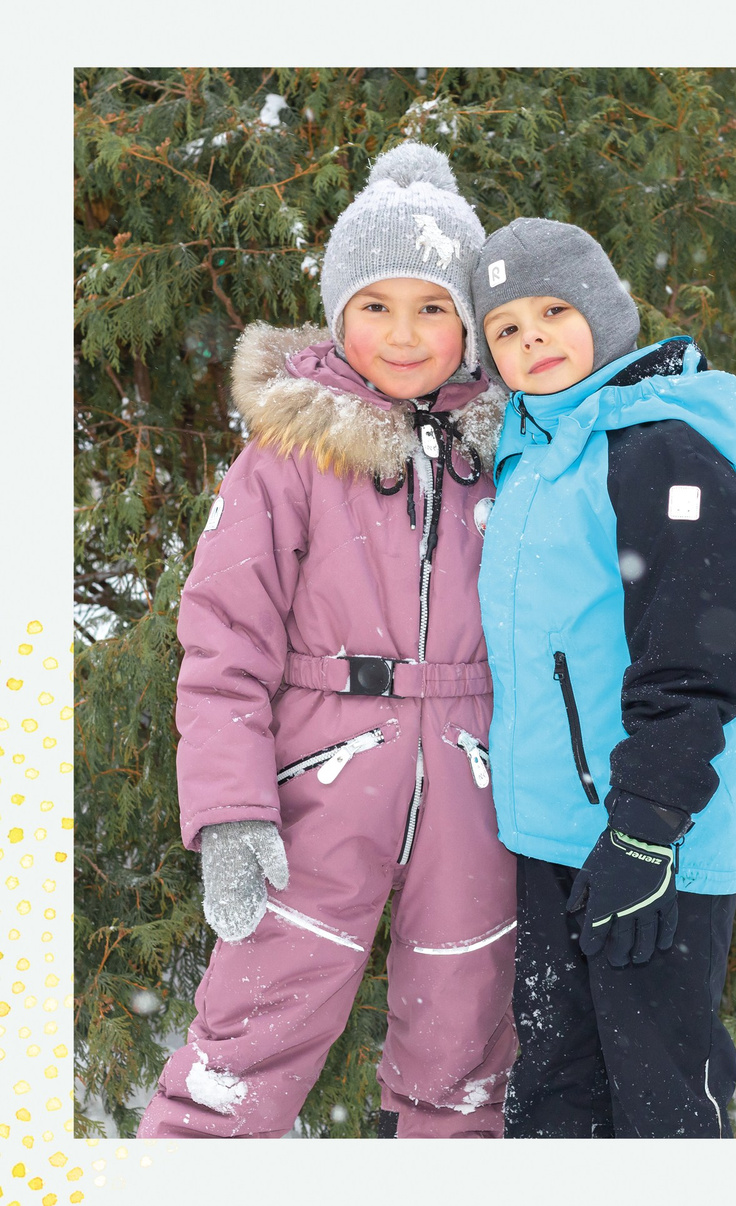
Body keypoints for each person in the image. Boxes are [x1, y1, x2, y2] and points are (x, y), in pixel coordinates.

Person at [142, 143, 516, 1138]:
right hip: (320, 781)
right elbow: (223, 645)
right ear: (339, 312)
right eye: (377, 305)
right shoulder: (288, 457)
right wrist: (230, 811)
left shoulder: (515, 448)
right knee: (246, 1047)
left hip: (479, 786)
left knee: (464, 1058)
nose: (405, 333)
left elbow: (579, 595)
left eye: (433, 306)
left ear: (471, 322)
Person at [472, 217, 736, 1134]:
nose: (534, 340)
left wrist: (646, 829)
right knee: (555, 1090)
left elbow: (696, 658)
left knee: (662, 1098)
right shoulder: (529, 455)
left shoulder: (662, 450)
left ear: (602, 310)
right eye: (507, 328)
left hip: (651, 835)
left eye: (554, 312)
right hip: (550, 837)